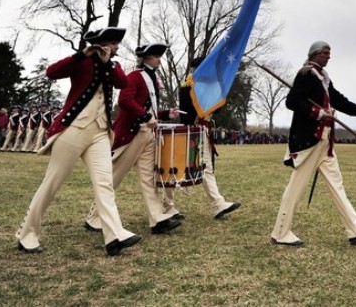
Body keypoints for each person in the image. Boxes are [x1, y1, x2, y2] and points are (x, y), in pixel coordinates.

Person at [15, 27, 141, 256]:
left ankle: (114, 235)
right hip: (73, 130)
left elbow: (122, 82)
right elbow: (52, 72)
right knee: (52, 183)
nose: (117, 47)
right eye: (113, 43)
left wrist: (107, 61)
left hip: (101, 132)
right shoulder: (81, 61)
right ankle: (27, 234)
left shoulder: (113, 65)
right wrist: (83, 53)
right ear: (101, 43)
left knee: (104, 184)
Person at [270, 41, 356, 247]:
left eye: (329, 53)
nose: (329, 56)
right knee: (296, 188)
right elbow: (292, 101)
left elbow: (340, 101)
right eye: (325, 53)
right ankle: (280, 232)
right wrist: (318, 113)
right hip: (309, 142)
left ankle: (355, 227)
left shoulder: (323, 79)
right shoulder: (305, 74)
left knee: (337, 186)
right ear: (314, 54)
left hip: (325, 143)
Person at [84, 43, 182, 235]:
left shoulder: (151, 78)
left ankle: (157, 219)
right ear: (146, 58)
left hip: (147, 133)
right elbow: (125, 101)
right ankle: (94, 218)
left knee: (148, 178)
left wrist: (164, 113)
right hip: (131, 134)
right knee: (114, 178)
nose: (159, 60)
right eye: (156, 57)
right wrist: (146, 116)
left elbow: (148, 108)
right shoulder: (135, 76)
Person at [166, 56, 241, 220]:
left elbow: (219, 110)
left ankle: (218, 204)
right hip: (190, 133)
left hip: (203, 132)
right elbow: (188, 115)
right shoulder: (187, 87)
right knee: (174, 169)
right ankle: (167, 206)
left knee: (206, 168)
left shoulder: (209, 87)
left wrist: (219, 90)